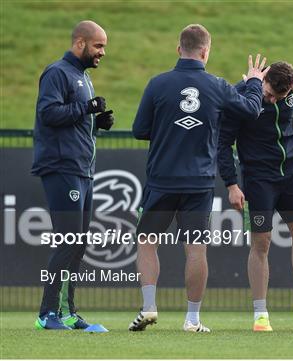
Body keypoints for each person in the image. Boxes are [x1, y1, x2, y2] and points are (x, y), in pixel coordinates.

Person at [129, 24, 267, 333]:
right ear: (206, 52)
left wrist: (168, 127)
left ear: (179, 50)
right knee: (196, 249)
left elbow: (139, 130)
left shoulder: (157, 84)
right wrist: (255, 83)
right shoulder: (216, 85)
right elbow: (251, 110)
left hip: (161, 179)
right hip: (199, 182)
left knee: (147, 242)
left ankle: (149, 307)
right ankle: (192, 319)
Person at [218, 61, 293, 332]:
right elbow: (223, 143)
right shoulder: (241, 93)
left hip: (292, 176)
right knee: (261, 242)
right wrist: (231, 184)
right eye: (267, 95)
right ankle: (260, 314)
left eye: (276, 98)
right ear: (263, 79)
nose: (269, 100)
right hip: (257, 180)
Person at [31, 20, 114, 330]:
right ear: (80, 43)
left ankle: (67, 313)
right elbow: (48, 114)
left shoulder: (81, 77)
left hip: (82, 170)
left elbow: (74, 121)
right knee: (68, 240)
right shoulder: (57, 73)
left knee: (78, 244)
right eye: (99, 46)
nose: (103, 52)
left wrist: (97, 123)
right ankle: (47, 314)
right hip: (62, 168)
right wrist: (87, 109)